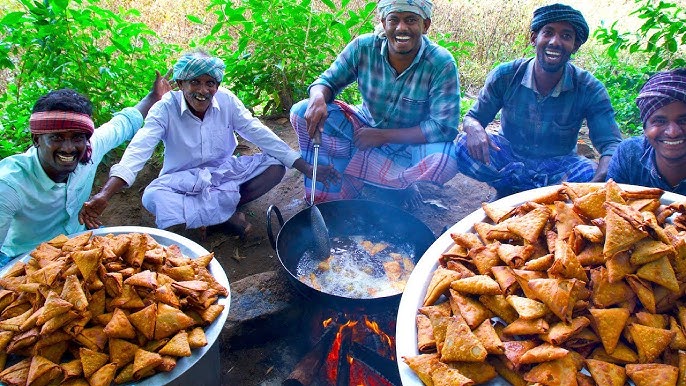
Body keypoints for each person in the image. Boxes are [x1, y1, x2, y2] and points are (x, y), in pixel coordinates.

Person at [80, 49, 326, 238]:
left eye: (210, 83)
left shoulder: (227, 101)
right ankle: (222, 217)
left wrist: (303, 166)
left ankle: (217, 215)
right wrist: (104, 194)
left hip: (222, 174)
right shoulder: (165, 109)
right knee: (153, 197)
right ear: (180, 84)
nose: (203, 90)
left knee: (275, 167)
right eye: (195, 82)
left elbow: (256, 131)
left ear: (217, 86)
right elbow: (138, 150)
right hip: (182, 180)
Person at [289, 0, 460, 208]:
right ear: (383, 22)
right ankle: (343, 179)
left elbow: (443, 127)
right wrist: (317, 97)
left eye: (411, 20)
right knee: (300, 112)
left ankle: (399, 184)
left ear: (425, 25)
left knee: (447, 159)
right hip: (363, 131)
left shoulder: (441, 63)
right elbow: (327, 81)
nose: (401, 28)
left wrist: (382, 136)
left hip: (409, 143)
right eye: (393, 20)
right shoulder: (363, 47)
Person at [0, 72, 171, 265]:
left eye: (77, 138)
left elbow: (123, 123)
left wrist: (154, 97)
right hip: (26, 257)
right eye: (56, 138)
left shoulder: (90, 148)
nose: (68, 148)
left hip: (79, 241)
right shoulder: (9, 184)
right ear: (36, 139)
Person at [454, 3, 623, 199]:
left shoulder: (589, 88)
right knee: (463, 145)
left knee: (591, 172)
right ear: (534, 38)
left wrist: (598, 181)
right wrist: (474, 128)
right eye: (548, 32)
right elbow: (473, 117)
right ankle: (527, 193)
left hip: (559, 166)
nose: (555, 42)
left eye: (566, 36)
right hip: (509, 157)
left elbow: (611, 144)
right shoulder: (506, 75)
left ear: (575, 45)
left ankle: (516, 192)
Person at [606, 69, 686, 193]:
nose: (673, 132)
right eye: (660, 121)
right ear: (645, 128)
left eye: (683, 120)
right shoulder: (629, 154)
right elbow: (610, 204)